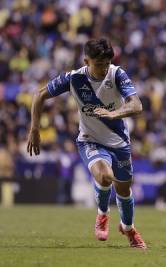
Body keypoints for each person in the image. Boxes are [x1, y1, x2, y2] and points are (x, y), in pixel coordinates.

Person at [27, 38, 147, 249]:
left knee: (124, 189)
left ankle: (128, 228)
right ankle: (102, 214)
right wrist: (34, 129)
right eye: (98, 64)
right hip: (90, 140)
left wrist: (114, 113)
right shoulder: (74, 79)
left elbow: (137, 106)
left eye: (107, 63)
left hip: (119, 142)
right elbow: (39, 95)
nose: (103, 69)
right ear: (86, 60)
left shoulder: (117, 74)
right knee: (105, 176)